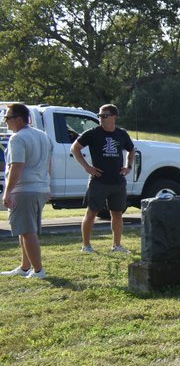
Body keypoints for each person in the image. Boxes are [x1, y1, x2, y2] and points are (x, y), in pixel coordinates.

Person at [71, 104, 136, 254]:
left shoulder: (121, 134)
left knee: (117, 213)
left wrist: (128, 166)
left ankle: (117, 245)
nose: (101, 118)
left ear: (114, 117)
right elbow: (75, 148)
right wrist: (87, 167)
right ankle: (86, 246)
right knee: (92, 212)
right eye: (99, 116)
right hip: (99, 180)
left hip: (118, 181)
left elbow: (132, 149)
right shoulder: (93, 133)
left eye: (104, 115)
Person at [2, 103, 52, 279]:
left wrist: (7, 192)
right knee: (26, 229)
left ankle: (38, 270)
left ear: (19, 119)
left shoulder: (18, 138)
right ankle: (25, 267)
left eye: (8, 117)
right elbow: (48, 164)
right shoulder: (43, 136)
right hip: (40, 187)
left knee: (27, 231)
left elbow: (17, 166)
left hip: (24, 188)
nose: (5, 121)